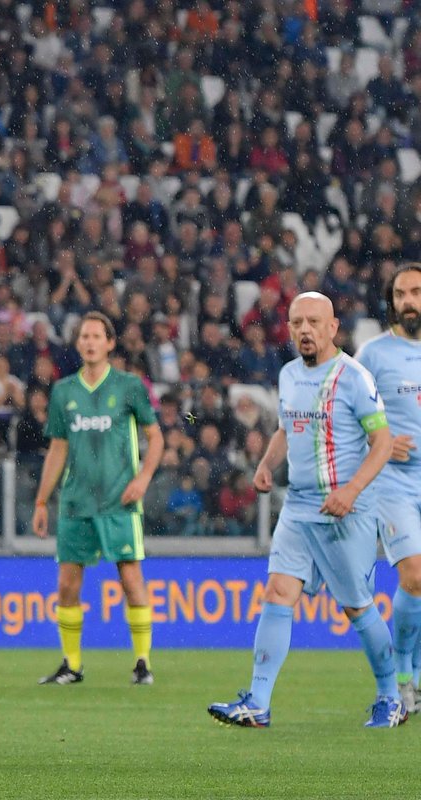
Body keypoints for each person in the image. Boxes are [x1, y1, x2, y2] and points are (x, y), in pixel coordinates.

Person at [209, 292, 404, 728]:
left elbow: (383, 443)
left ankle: (391, 696)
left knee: (357, 607)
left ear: (333, 327)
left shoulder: (354, 378)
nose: (305, 330)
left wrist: (351, 492)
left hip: (345, 512)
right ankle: (258, 701)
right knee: (278, 593)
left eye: (314, 322)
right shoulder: (289, 374)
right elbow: (285, 427)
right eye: (297, 322)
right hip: (298, 507)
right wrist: (266, 464)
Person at [31, 312, 164, 686]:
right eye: (84, 336)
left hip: (119, 500)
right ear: (78, 344)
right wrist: (42, 501)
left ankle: (142, 662)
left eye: (96, 336)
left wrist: (143, 479)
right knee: (68, 585)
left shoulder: (129, 387)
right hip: (76, 503)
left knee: (131, 579)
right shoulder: (64, 392)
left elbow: (156, 438)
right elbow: (57, 448)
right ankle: (71, 664)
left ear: (110, 343)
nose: (89, 342)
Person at [355, 264, 421, 714]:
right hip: (394, 481)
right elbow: (343, 411)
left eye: (416, 292)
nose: (408, 301)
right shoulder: (373, 353)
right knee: (414, 574)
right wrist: (377, 441)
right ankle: (403, 677)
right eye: (400, 293)